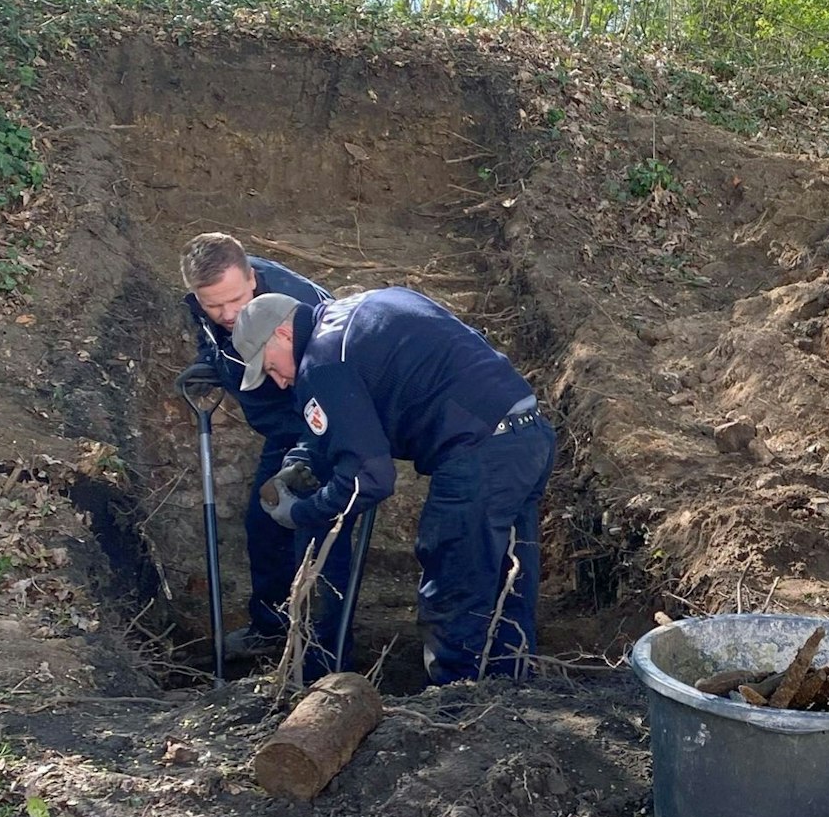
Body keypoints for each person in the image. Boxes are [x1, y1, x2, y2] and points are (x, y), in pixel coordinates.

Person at [227, 287, 556, 684]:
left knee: (453, 592)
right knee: (506, 584)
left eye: (270, 366)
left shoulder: (320, 363)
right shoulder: (357, 311)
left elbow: (369, 479)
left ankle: (463, 714)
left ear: (282, 334)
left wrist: (299, 512)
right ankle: (512, 701)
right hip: (527, 435)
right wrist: (302, 459)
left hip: (479, 457)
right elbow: (360, 405)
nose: (278, 382)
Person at [179, 233, 352, 660]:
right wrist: (210, 360)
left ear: (252, 278)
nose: (227, 313)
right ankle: (271, 629)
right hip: (280, 428)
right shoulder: (206, 303)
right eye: (213, 305)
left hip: (320, 423)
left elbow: (331, 375)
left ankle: (322, 647)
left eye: (235, 300)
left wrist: (311, 449)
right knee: (264, 522)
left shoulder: (299, 307)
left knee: (314, 532)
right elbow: (212, 335)